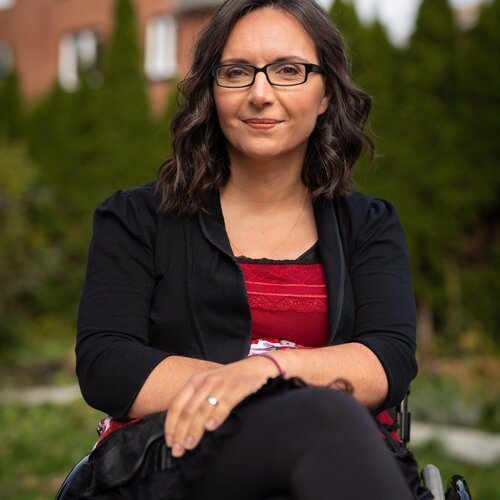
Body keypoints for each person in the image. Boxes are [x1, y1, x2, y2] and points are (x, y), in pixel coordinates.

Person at [70, 0, 431, 498]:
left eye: (288, 70)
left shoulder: (369, 225)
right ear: (211, 91)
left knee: (321, 425)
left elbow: (387, 358)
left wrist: (267, 373)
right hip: (176, 456)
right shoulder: (135, 219)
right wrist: (268, 396)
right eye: (237, 72)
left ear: (326, 93)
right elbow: (106, 363)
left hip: (339, 457)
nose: (261, 94)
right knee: (319, 415)